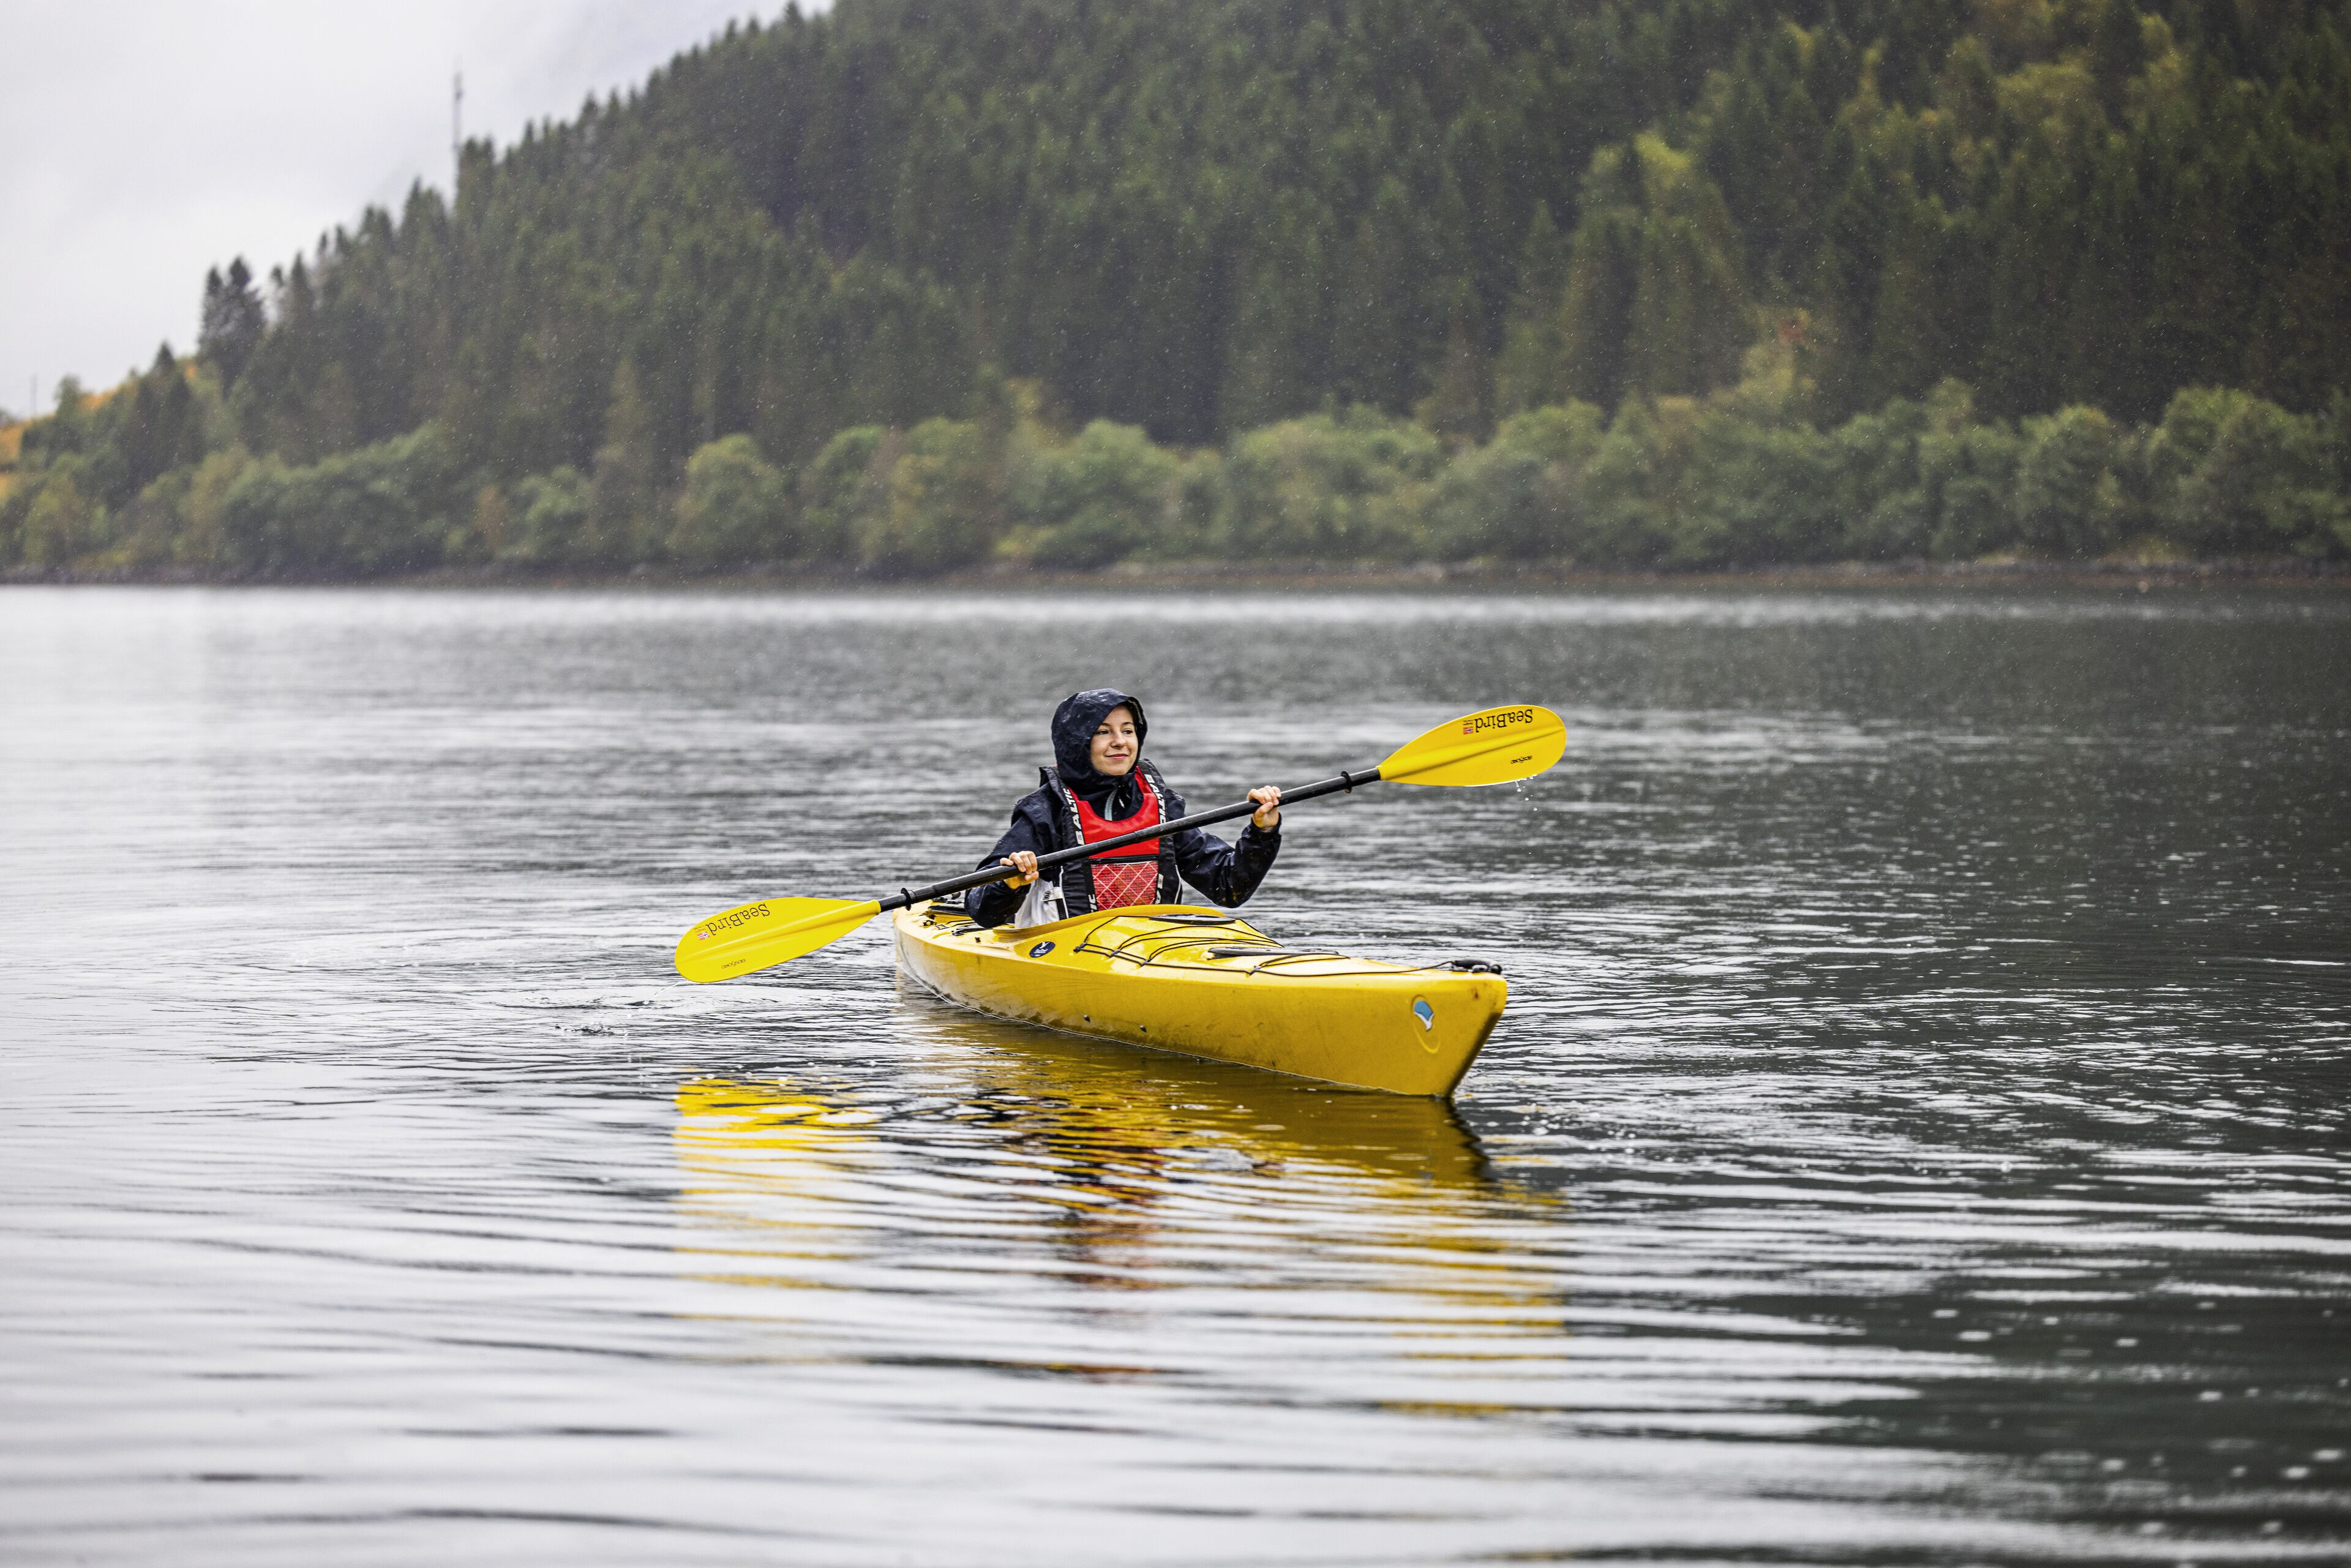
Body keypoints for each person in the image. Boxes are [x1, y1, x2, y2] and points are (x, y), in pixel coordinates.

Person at [964, 688, 1282, 928]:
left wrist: (1262, 832)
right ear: (1077, 743)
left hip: (1152, 945)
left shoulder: (1162, 806)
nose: (1120, 741)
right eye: (1103, 732)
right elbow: (982, 911)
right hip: (1064, 950)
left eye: (1127, 731)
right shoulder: (1045, 812)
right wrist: (1010, 882)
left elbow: (1229, 888)